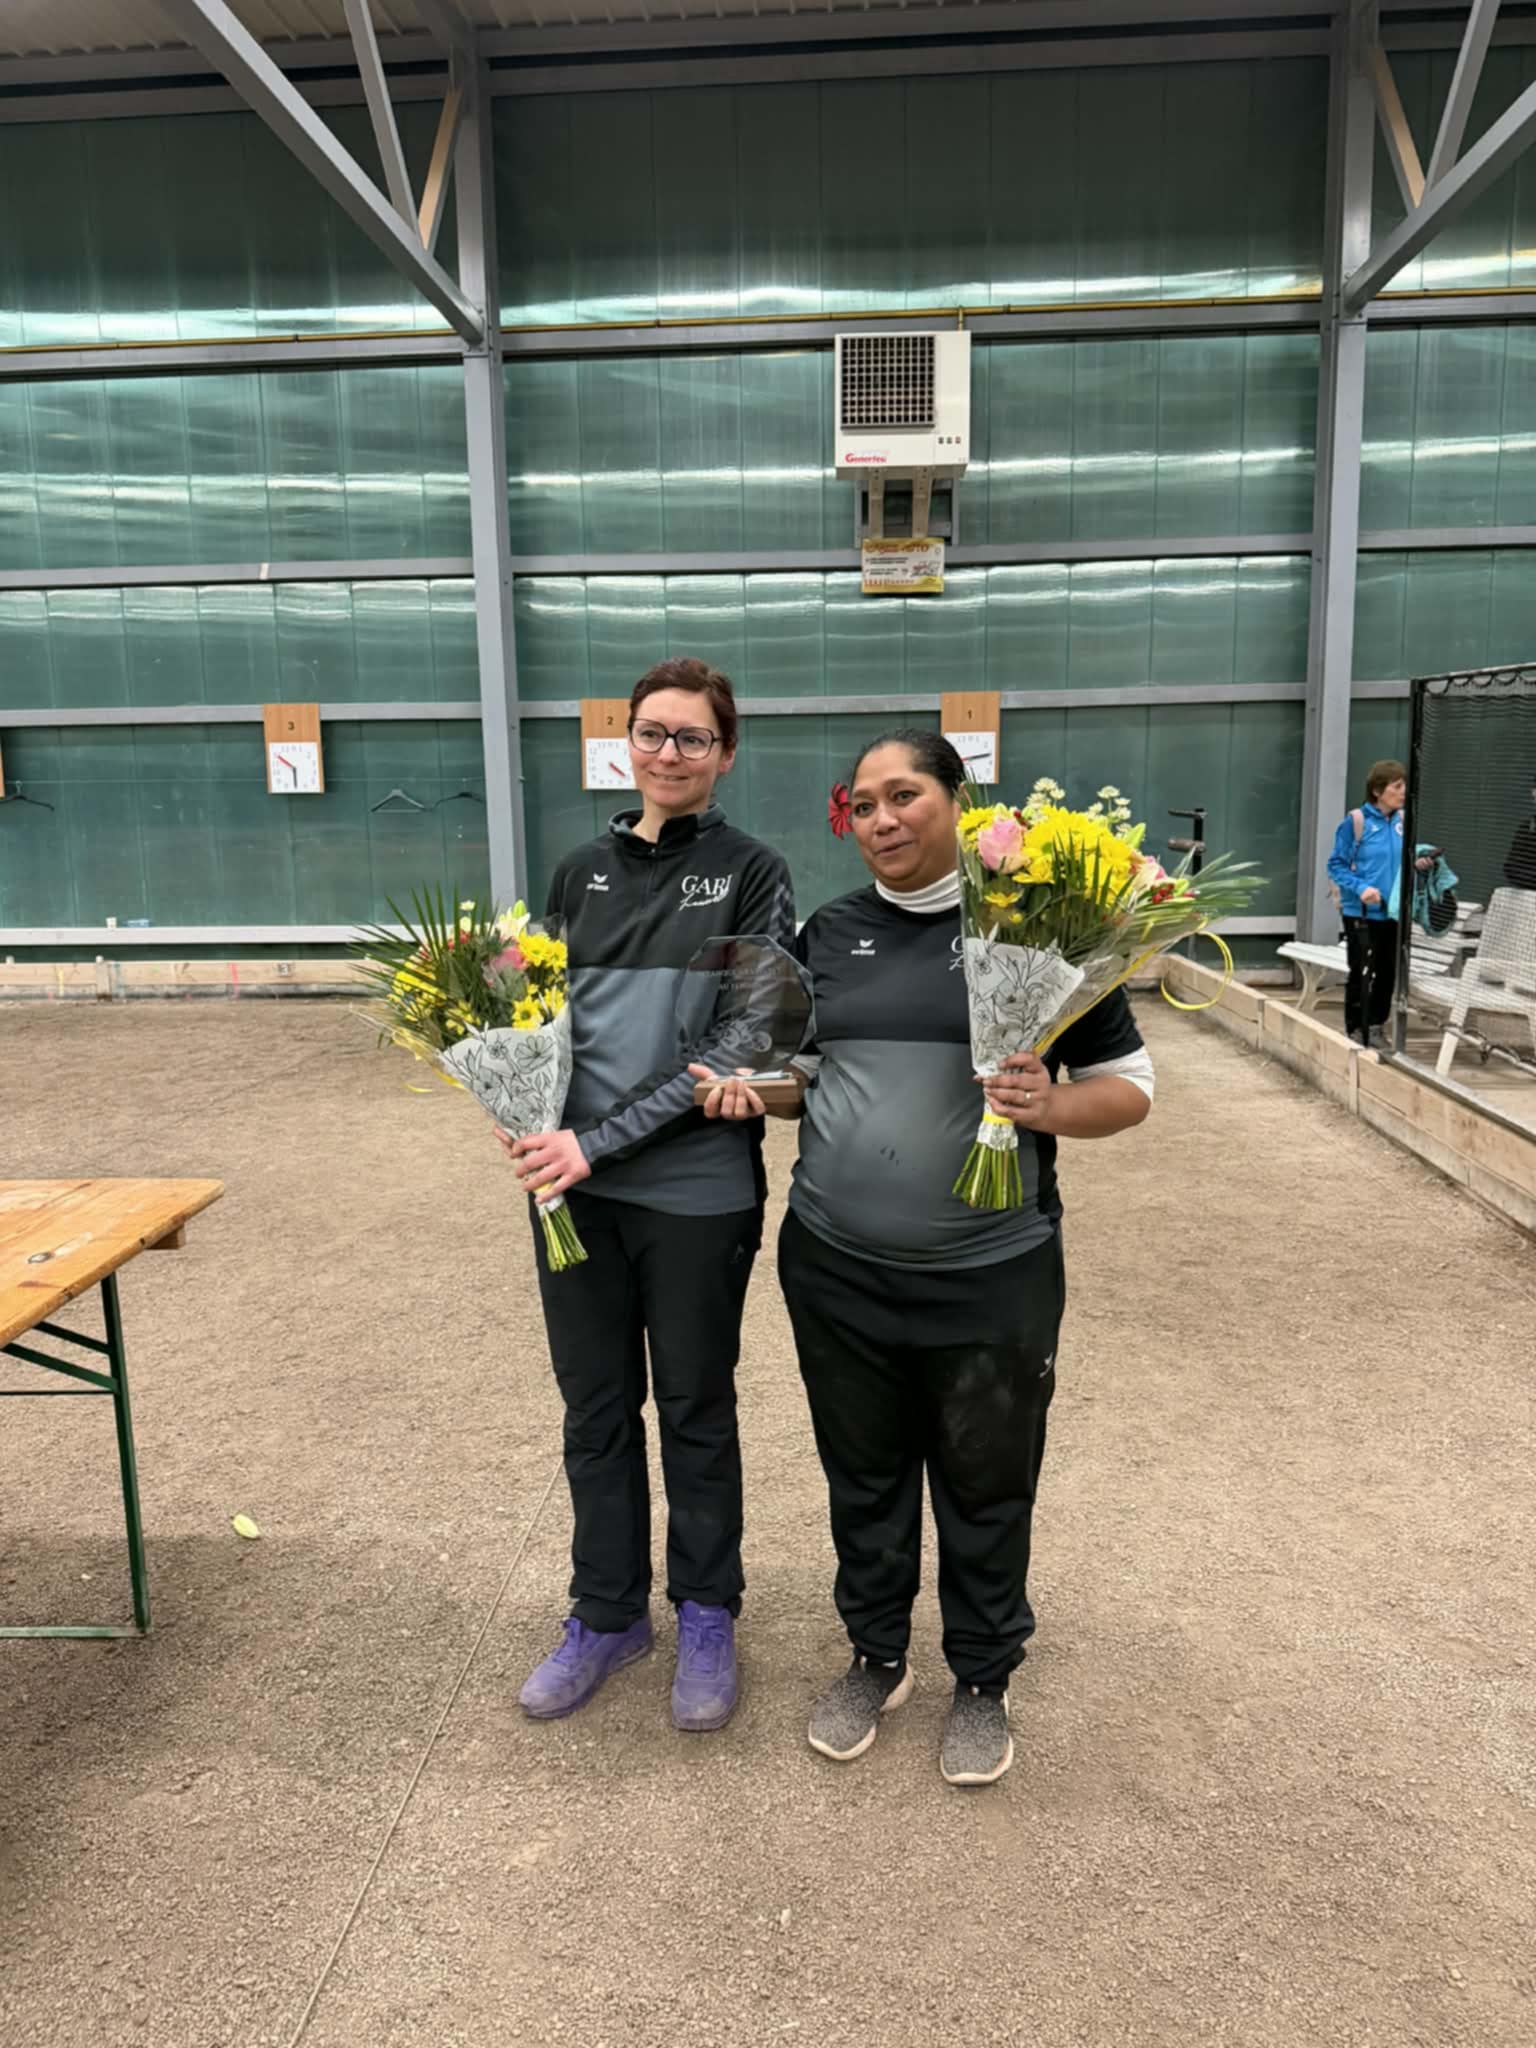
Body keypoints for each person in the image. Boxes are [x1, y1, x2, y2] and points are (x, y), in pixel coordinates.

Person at [695, 731, 1153, 1787]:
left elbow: (1131, 1088)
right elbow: (806, 1075)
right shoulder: (830, 932)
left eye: (904, 795)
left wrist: (1052, 1107)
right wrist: (751, 1090)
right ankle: (877, 1657)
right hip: (835, 1266)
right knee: (863, 1475)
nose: (882, 819)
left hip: (992, 1272)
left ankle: (983, 1678)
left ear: (959, 800)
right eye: (862, 804)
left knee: (987, 1482)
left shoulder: (1041, 926)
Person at [504, 657, 795, 1733]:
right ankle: (607, 1612)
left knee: (694, 1407)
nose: (670, 752)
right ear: (625, 742)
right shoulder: (577, 872)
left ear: (726, 753)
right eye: (652, 733)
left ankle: (707, 1612)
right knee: (594, 1411)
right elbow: (530, 1017)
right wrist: (510, 1099)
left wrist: (599, 1140)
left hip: (695, 1194)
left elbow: (747, 1033)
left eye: (693, 737)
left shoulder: (753, 871)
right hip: (571, 1191)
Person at [1328, 760, 1409, 1047]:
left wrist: (1420, 863)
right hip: (1360, 912)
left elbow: (1404, 859)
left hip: (1392, 912)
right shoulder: (1355, 822)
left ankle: (1375, 1026)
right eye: (1397, 786)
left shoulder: (1404, 822)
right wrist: (1361, 888)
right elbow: (1335, 865)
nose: (1403, 791)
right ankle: (1356, 1028)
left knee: (1387, 972)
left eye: (1404, 785)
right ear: (1377, 790)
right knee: (1362, 970)